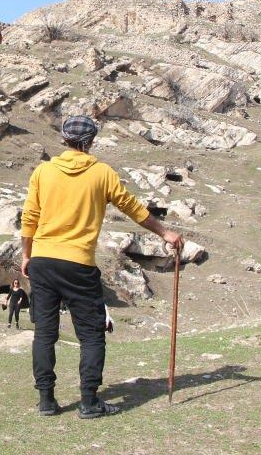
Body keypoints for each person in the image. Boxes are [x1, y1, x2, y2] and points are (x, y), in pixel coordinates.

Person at [20, 115, 184, 419]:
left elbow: (29, 217)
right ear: (91, 141)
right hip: (78, 263)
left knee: (44, 333)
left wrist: (27, 255)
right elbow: (134, 209)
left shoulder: (43, 172)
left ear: (64, 140)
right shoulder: (102, 173)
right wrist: (166, 233)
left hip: (42, 260)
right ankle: (89, 401)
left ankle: (46, 400)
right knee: (92, 334)